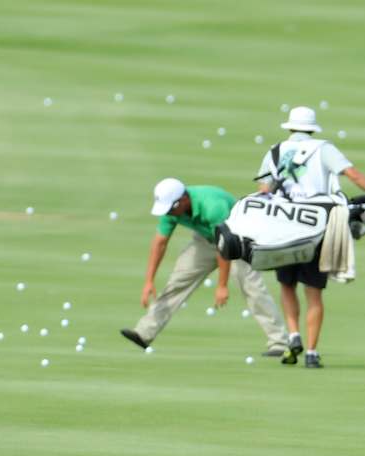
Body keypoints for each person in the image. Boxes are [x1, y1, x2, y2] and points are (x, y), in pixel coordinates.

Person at [120, 179, 288, 354]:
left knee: (251, 287)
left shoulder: (213, 206)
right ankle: (144, 333)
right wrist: (149, 280)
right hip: (205, 239)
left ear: (183, 200)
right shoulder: (172, 209)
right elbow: (160, 242)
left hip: (238, 239)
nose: (169, 213)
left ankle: (280, 342)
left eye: (171, 208)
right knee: (178, 282)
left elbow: (224, 245)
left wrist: (222, 286)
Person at [255, 106, 365, 368]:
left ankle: (293, 335)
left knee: (286, 285)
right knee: (314, 292)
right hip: (316, 226)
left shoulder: (275, 151)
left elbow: (263, 190)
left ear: (291, 127)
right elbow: (354, 176)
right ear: (312, 128)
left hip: (283, 226)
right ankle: (312, 353)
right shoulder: (323, 148)